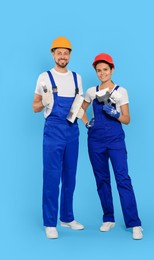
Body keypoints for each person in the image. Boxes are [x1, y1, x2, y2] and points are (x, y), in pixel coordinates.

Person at [82, 53, 143, 240]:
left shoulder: (120, 91)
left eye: (105, 70)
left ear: (112, 69)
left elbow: (127, 119)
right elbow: (80, 109)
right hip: (95, 141)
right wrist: (86, 123)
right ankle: (108, 218)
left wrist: (116, 113)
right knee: (101, 179)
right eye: (99, 70)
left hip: (115, 141)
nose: (102, 73)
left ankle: (134, 223)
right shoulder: (91, 92)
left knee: (122, 178)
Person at [32, 36, 84, 239]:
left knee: (70, 176)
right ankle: (50, 222)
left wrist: (85, 119)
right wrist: (44, 102)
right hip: (53, 131)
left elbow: (79, 104)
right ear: (53, 54)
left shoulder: (77, 77)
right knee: (52, 176)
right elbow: (34, 107)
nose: (63, 56)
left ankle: (67, 218)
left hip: (72, 131)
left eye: (66, 52)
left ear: (70, 55)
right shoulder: (44, 77)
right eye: (59, 52)